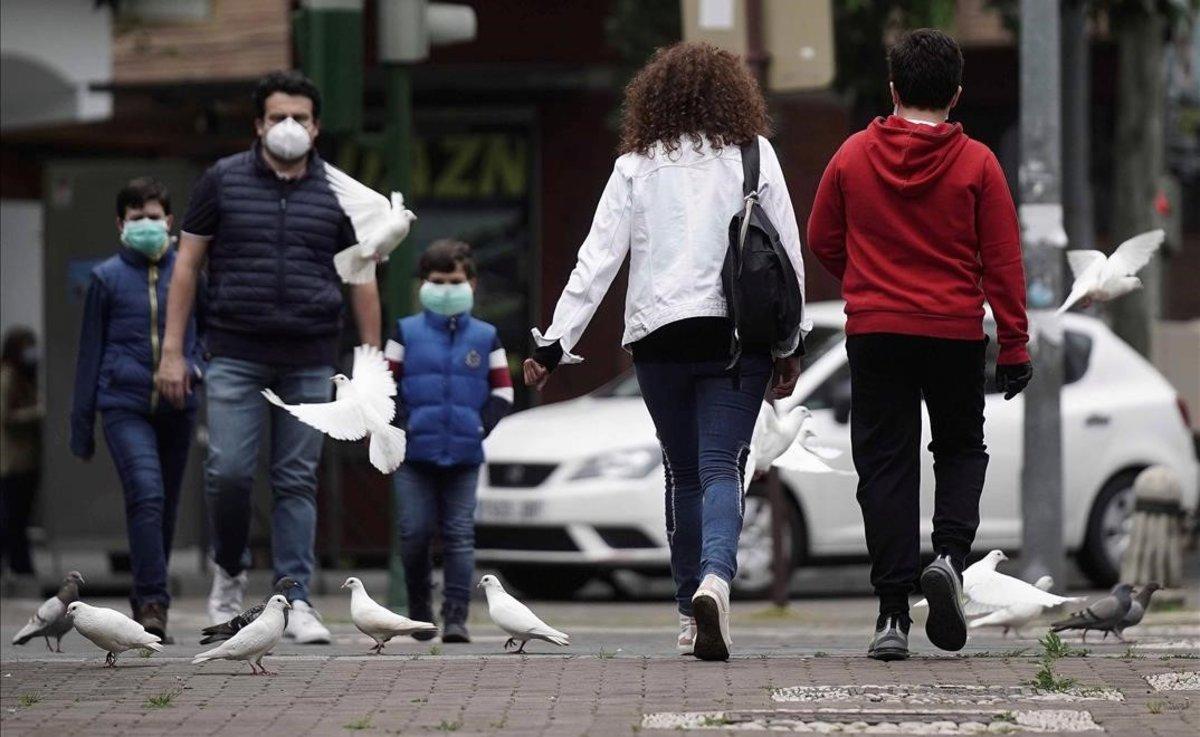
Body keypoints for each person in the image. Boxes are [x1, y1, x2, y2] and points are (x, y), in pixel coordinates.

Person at [523, 42, 808, 661]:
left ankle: (687, 614)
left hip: (657, 338)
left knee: (681, 472)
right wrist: (790, 343)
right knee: (720, 467)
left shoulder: (636, 165)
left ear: (653, 100)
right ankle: (715, 580)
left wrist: (553, 343)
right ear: (735, 95)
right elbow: (786, 254)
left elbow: (597, 259)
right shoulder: (755, 156)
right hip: (735, 336)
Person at [806, 29, 1033, 661]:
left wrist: (865, 276)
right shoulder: (977, 164)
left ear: (894, 88)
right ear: (956, 95)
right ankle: (951, 561)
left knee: (885, 464)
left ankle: (890, 616)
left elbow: (822, 237)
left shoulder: (852, 156)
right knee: (960, 447)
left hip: (876, 331)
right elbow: (1004, 262)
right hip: (954, 332)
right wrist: (1013, 344)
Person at [156, 70, 382, 644]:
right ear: (258, 124)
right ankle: (229, 577)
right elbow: (186, 265)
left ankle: (296, 599)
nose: (289, 127)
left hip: (310, 353)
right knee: (228, 471)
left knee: (295, 479)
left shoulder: (340, 191)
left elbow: (361, 277)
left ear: (317, 125)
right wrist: (172, 351)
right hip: (233, 351)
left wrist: (370, 362)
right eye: (277, 116)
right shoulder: (221, 181)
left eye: (300, 117)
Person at [69, 178, 203, 641]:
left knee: (162, 504)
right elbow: (89, 354)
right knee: (146, 493)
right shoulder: (106, 279)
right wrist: (81, 427)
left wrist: (196, 367)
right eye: (136, 218)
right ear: (120, 224)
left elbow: (203, 337)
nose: (147, 225)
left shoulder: (188, 274)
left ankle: (150, 593)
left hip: (178, 405)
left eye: (154, 217)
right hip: (123, 404)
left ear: (170, 222)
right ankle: (152, 601)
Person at [385, 240, 513, 643]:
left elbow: (503, 391)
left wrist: (479, 428)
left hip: (464, 454)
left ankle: (456, 616)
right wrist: (402, 427)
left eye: (453, 280)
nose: (445, 288)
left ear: (471, 283)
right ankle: (420, 609)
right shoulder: (404, 332)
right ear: (422, 284)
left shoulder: (487, 336)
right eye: (436, 281)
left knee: (460, 534)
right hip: (412, 455)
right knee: (414, 531)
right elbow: (385, 387)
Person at [0, 327, 42, 577]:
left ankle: (20, 564)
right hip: (11, 462)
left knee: (19, 518)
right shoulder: (7, 377)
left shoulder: (25, 377)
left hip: (26, 461)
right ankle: (20, 566)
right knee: (12, 518)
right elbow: (5, 416)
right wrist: (39, 412)